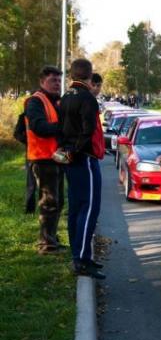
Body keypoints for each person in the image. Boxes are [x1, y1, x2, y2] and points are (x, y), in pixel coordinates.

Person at [59, 58, 106, 279]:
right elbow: (88, 131)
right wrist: (76, 150)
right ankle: (81, 259)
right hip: (84, 158)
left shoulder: (66, 96)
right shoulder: (87, 98)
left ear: (72, 74)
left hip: (69, 158)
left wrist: (66, 150)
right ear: (89, 75)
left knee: (76, 208)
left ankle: (79, 256)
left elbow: (61, 128)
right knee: (89, 208)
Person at [24, 65, 65, 254]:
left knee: (57, 202)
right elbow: (38, 126)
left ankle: (51, 239)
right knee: (49, 203)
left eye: (59, 80)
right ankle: (46, 245)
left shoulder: (54, 101)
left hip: (55, 158)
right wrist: (63, 127)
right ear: (42, 81)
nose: (57, 84)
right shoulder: (35, 101)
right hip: (43, 159)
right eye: (53, 80)